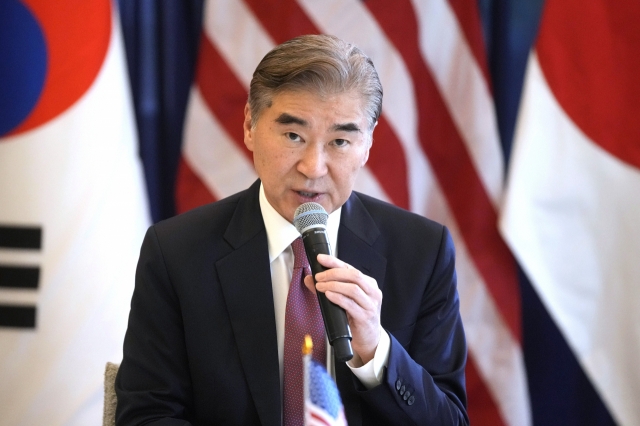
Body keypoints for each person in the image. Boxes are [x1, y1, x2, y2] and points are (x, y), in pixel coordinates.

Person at [115, 34, 468, 425]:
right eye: (294, 136)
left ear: (366, 144)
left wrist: (376, 350)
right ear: (250, 125)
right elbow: (146, 415)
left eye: (339, 141)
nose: (314, 167)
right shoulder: (177, 252)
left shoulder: (422, 252)